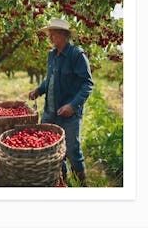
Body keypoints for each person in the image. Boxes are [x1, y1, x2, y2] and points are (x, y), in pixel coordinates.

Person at [28, 18, 94, 186]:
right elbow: (50, 80)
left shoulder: (76, 55)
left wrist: (73, 105)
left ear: (64, 35)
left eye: (53, 34)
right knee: (52, 148)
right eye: (49, 34)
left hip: (69, 114)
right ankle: (62, 182)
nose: (50, 38)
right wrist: (39, 90)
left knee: (72, 150)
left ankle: (82, 184)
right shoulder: (52, 55)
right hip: (50, 112)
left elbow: (87, 84)